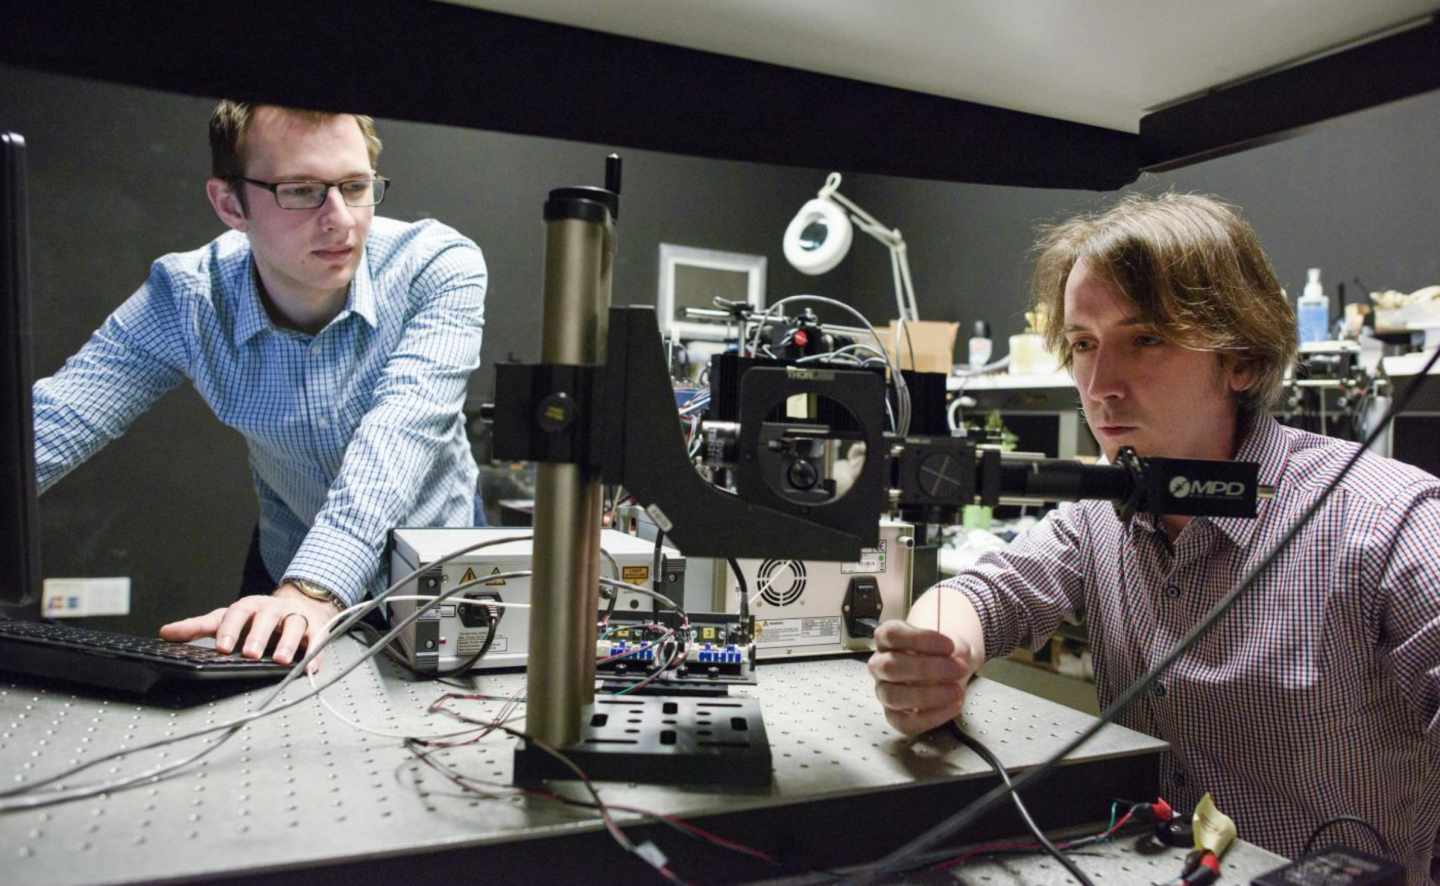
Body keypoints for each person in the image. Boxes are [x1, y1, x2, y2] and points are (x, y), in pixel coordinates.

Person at [867, 193, 1440, 881]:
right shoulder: (1100, 514)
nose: (1100, 385)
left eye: (1146, 338)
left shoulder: (1389, 521)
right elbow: (986, 593)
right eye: (1083, 344)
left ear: (1243, 360)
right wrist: (937, 653)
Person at [33, 102, 488, 670]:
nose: (341, 220)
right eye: (301, 191)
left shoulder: (436, 267)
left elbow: (399, 437)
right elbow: (57, 421)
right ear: (230, 204)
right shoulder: (188, 297)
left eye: (355, 186)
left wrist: (315, 589)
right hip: (288, 569)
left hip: (438, 572)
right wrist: (302, 591)